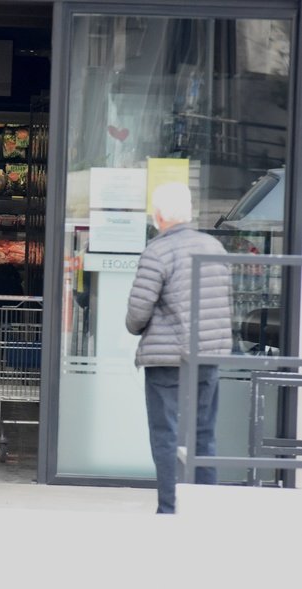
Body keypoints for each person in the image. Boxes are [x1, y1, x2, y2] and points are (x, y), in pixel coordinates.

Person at [125, 182, 232, 514]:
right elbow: (226, 302)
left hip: (166, 358)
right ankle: (204, 505)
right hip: (208, 356)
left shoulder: (157, 251)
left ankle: (170, 507)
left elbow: (137, 313)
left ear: (158, 215)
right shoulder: (214, 248)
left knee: (166, 433)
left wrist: (134, 327)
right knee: (204, 434)